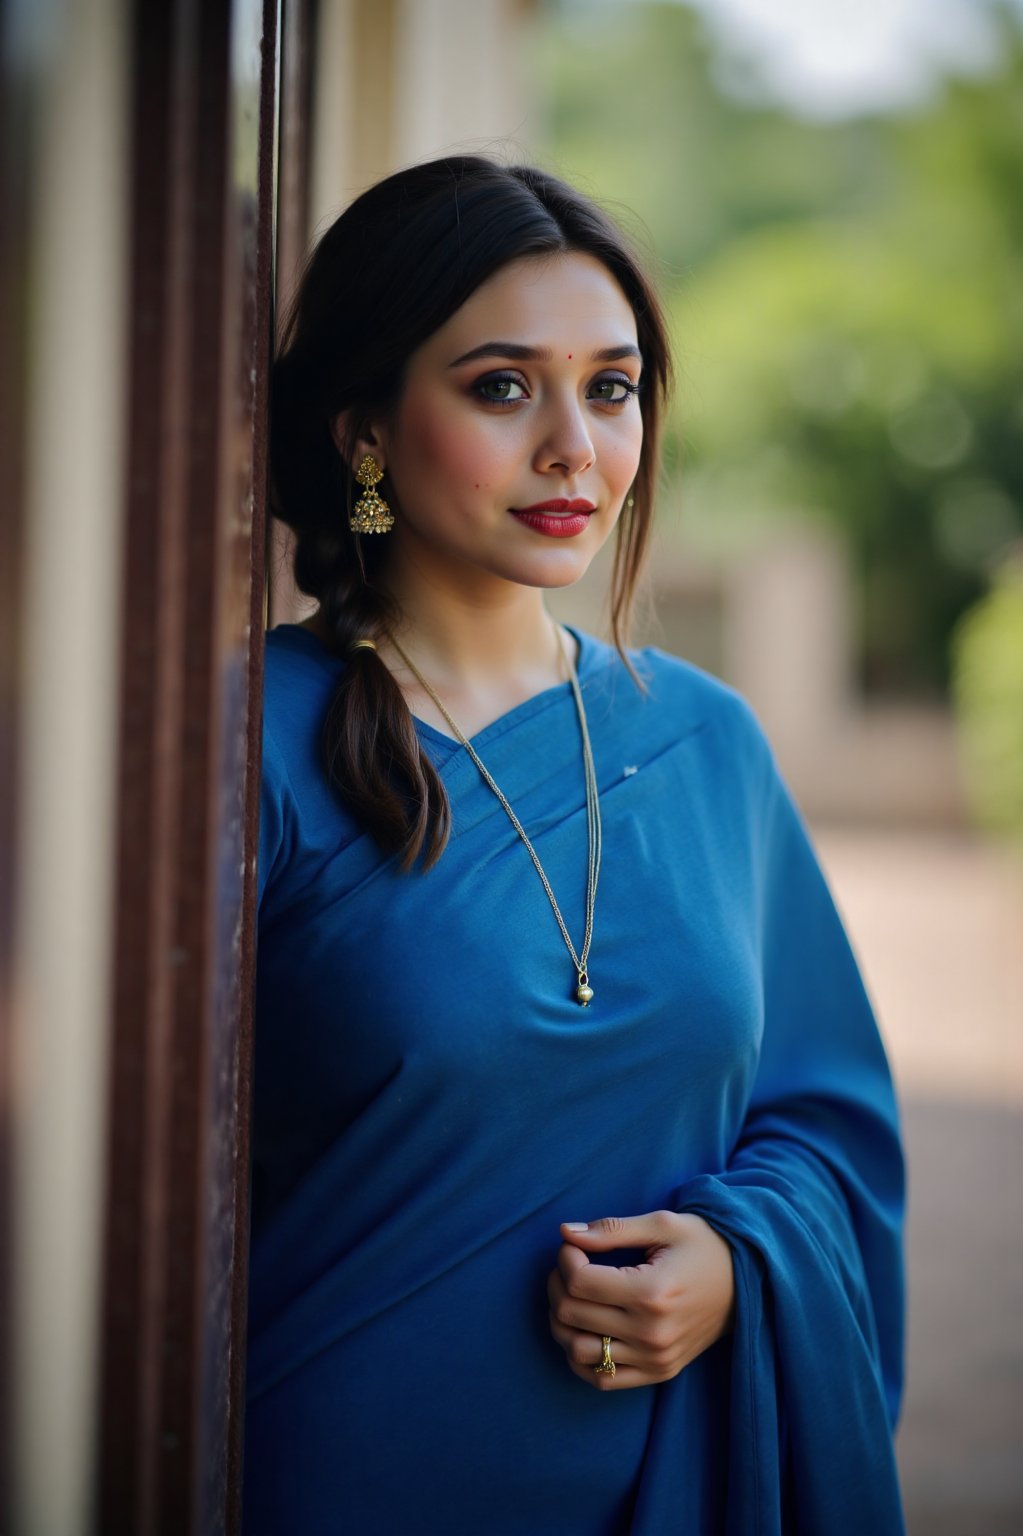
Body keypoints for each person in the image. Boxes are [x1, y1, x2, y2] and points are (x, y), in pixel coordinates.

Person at [245, 156, 905, 1535]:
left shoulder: (704, 744)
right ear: (366, 430)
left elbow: (823, 1120)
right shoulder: (246, 746)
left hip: (668, 1486)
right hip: (340, 1476)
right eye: (502, 387)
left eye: (610, 389)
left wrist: (738, 1261)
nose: (574, 449)